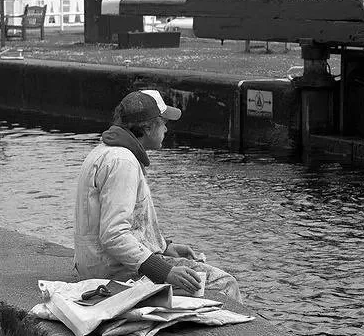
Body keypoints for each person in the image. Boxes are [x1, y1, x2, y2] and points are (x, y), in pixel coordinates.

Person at [73, 89, 242, 302]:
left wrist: (163, 247)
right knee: (225, 284)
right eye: (162, 122)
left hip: (97, 265)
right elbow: (113, 235)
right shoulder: (122, 162)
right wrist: (164, 272)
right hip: (115, 273)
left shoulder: (104, 151)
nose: (166, 128)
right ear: (147, 128)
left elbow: (125, 224)